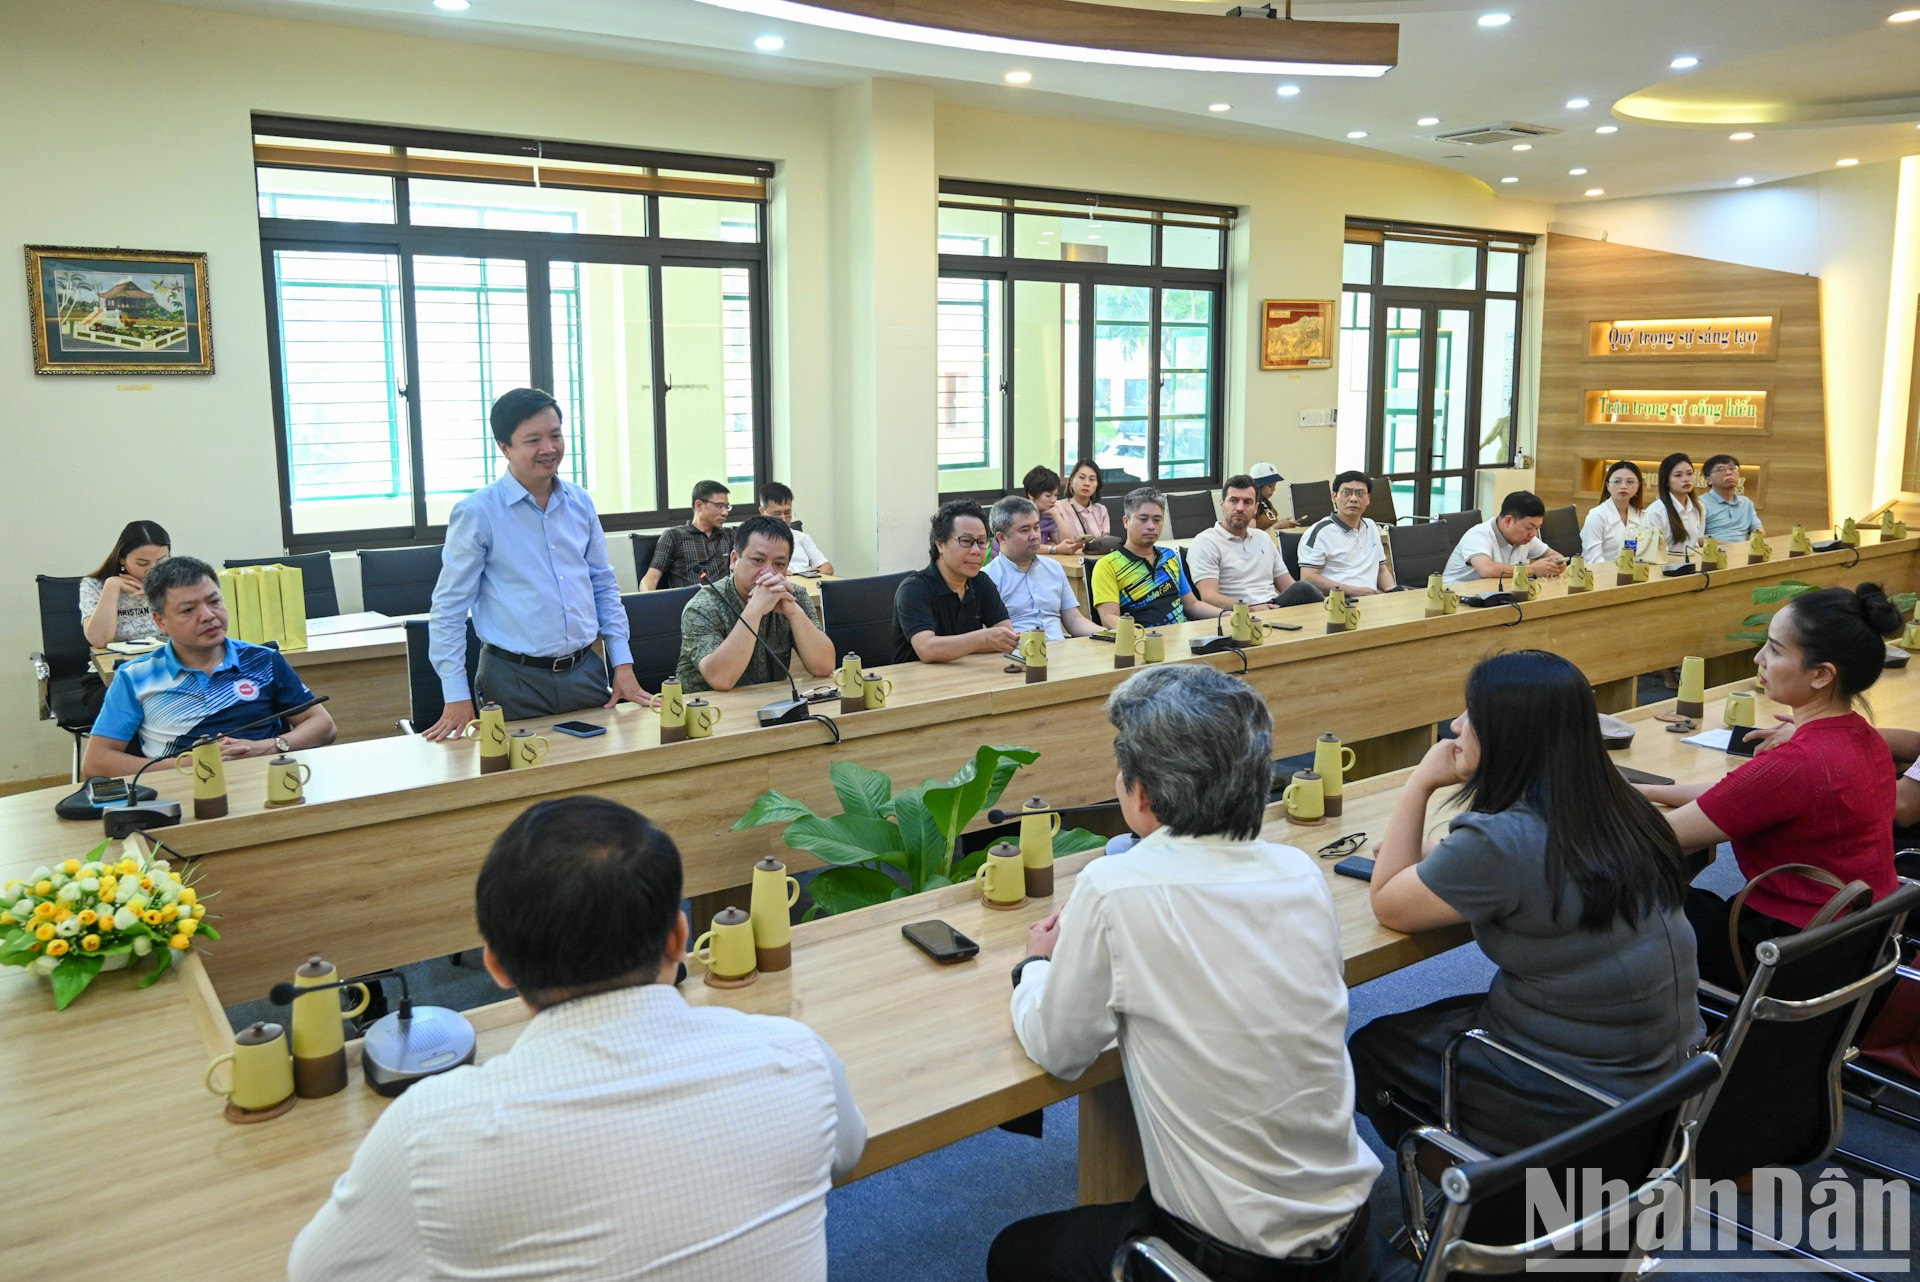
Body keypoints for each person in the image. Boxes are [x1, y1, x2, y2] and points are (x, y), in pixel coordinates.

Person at [288, 796, 865, 1281]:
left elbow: (317, 1273)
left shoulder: (429, 1132)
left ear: (497, 966)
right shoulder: (797, 1055)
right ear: (678, 938)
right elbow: (845, 1154)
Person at [988, 664, 1380, 1282]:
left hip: (1229, 1261)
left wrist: (1036, 965)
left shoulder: (1115, 886)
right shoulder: (1300, 872)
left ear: (1140, 795)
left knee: (1014, 1252)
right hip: (1354, 1241)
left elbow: (1060, 1049)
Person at [1350, 650, 1700, 1155]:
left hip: (1578, 1087)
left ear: (1506, 735)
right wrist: (1442, 856)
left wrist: (1420, 781)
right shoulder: (1617, 800)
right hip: (1666, 1070)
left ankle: (1482, 1203)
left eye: (1470, 714)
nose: (1455, 725)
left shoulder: (1499, 843)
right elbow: (1528, 861)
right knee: (1440, 1015)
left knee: (1372, 1048)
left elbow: (1389, 904)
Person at [1636, 583, 1902, 989]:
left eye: (1775, 650)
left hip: (1785, 957)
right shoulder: (1864, 738)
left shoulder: (1797, 763)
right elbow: (1736, 796)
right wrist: (1649, 792)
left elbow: (1663, 835)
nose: (1759, 658)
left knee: (1623, 892)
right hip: (1852, 949)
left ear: (1821, 675)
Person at [424, 388, 650, 739]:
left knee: (594, 777)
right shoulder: (478, 512)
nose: (549, 448)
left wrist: (622, 663)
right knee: (519, 783)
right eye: (533, 440)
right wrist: (455, 694)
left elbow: (603, 586)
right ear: (505, 447)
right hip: (512, 680)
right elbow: (449, 609)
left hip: (585, 672)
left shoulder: (579, 502)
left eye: (555, 435)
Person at [83, 555, 337, 777]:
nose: (208, 615)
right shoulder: (135, 676)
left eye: (214, 602)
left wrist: (269, 746)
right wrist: (190, 764)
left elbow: (323, 726)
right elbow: (97, 762)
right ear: (161, 622)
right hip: (179, 792)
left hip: (264, 782)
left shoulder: (263, 660)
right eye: (188, 610)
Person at [675, 515, 836, 694]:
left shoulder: (794, 596)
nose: (768, 572)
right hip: (706, 712)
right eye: (758, 560)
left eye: (779, 564)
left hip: (769, 706)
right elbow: (721, 679)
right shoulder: (703, 606)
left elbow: (824, 667)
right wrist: (754, 610)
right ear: (734, 560)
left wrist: (793, 612)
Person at [892, 499, 1016, 664]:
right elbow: (927, 649)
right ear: (940, 544)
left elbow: (1006, 636)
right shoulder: (913, 589)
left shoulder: (981, 582)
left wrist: (956, 646)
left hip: (965, 676)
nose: (976, 551)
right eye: (965, 541)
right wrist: (984, 637)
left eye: (981, 542)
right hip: (916, 682)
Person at [1090, 487, 1224, 630]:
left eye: (1157, 520)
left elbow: (1192, 605)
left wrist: (1228, 615)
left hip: (1181, 640)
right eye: (1143, 519)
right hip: (1142, 642)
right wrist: (1139, 635)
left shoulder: (1169, 556)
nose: (1151, 526)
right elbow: (1109, 618)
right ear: (1126, 521)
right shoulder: (1107, 565)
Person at [1189, 475, 1323, 611]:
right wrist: (1251, 609)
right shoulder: (1205, 542)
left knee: (1303, 589)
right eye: (1233, 501)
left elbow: (1289, 586)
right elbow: (1209, 597)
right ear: (1222, 504)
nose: (1240, 508)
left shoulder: (1263, 538)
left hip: (1273, 607)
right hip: (1239, 615)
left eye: (1247, 502)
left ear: (1255, 508)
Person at [983, 496, 1099, 642]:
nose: (1034, 536)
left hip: (1061, 653)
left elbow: (1075, 621)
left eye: (1036, 528)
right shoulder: (988, 578)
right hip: (1017, 656)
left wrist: (1111, 633)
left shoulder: (1054, 568)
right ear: (1001, 537)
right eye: (1025, 530)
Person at [1298, 470, 1396, 597]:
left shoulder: (1371, 526)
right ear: (1334, 497)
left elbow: (1381, 569)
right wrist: (1354, 591)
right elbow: (1308, 578)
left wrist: (1392, 590)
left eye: (1360, 493)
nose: (1354, 499)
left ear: (1368, 499)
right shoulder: (1320, 532)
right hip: (1336, 603)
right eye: (1346, 493)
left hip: (1371, 600)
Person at [1442, 490, 1567, 584]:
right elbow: (1486, 569)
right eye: (1529, 528)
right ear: (1508, 521)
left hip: (1494, 594)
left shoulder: (1527, 539)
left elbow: (1554, 555)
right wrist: (1533, 569)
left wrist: (1557, 563)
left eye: (1537, 528)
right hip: (1454, 598)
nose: (1533, 534)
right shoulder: (1478, 535)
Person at [80, 520, 170, 649]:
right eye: (143, 563)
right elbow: (100, 641)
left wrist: (160, 595)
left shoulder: (175, 581)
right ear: (122, 558)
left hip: (166, 660)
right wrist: (112, 587)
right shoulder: (94, 585)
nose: (153, 569)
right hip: (117, 664)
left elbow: (190, 633)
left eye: (161, 561)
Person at [643, 480, 733, 591]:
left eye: (727, 507)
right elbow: (651, 578)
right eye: (719, 506)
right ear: (699, 505)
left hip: (723, 603)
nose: (725, 513)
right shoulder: (674, 536)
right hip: (687, 604)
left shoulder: (728, 535)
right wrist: (650, 601)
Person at [1579, 460, 1651, 564]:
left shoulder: (1642, 516)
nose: (1623, 486)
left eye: (1630, 482)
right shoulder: (1596, 516)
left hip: (1635, 574)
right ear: (1608, 486)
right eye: (1617, 481)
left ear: (1638, 486)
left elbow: (1646, 554)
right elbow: (1593, 560)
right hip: (1602, 575)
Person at [757, 482, 833, 575]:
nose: (784, 519)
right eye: (777, 514)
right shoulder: (755, 540)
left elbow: (827, 567)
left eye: (787, 513)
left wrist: (809, 577)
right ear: (762, 511)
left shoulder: (802, 538)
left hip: (807, 585)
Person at [1648, 451, 1706, 555]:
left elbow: (1697, 542)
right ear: (1666, 481)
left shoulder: (1699, 507)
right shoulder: (1655, 512)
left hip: (1693, 565)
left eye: (1690, 473)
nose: (1686, 479)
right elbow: (1653, 552)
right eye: (1678, 475)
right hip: (1666, 567)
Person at [1021, 464, 1084, 556]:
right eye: (1048, 495)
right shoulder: (1019, 514)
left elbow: (1068, 543)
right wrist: (1055, 549)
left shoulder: (1046, 515)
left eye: (1056, 495)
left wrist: (1056, 514)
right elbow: (1025, 546)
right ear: (1031, 495)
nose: (1054, 500)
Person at [1700, 453, 1763, 542]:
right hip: (1713, 552)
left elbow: (1757, 528)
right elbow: (1697, 539)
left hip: (1743, 551)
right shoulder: (1700, 503)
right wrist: (1729, 548)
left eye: (1732, 468)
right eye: (1720, 470)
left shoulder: (1746, 503)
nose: (1728, 473)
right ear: (1708, 480)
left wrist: (1753, 543)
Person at [1051, 458, 1111, 544]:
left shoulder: (1101, 510)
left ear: (1097, 484)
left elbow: (1105, 543)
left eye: (1092, 479)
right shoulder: (1057, 507)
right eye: (1082, 477)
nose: (1086, 483)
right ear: (1071, 481)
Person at [1248, 461, 1299, 531]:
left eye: (1274, 485)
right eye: (1270, 486)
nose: (1274, 489)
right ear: (1258, 486)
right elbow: (1251, 537)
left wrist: (1284, 524)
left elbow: (1272, 525)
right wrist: (1276, 527)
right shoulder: (1250, 506)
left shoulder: (1267, 504)